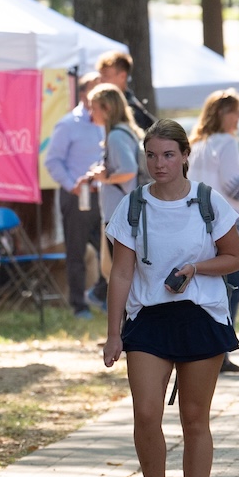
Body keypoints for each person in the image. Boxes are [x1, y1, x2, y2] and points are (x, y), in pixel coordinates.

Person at [103, 119, 239, 477]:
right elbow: (121, 273)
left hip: (201, 314)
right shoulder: (132, 206)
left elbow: (234, 257)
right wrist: (113, 334)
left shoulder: (207, 202)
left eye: (167, 155)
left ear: (185, 156)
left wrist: (196, 267)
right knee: (146, 412)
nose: (158, 164)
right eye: (151, 155)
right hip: (149, 317)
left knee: (195, 419)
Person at [189, 90, 239, 373]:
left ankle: (208, 347)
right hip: (225, 224)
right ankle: (221, 349)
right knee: (233, 288)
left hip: (198, 223)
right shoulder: (227, 143)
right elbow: (235, 186)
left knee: (211, 288)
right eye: (236, 111)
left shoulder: (197, 142)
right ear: (223, 114)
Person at [44, 75, 106, 319]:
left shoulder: (106, 122)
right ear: (83, 95)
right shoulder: (68, 124)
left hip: (103, 196)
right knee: (77, 252)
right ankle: (79, 304)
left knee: (110, 250)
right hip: (76, 197)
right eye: (95, 90)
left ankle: (100, 294)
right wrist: (72, 185)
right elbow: (53, 161)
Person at [81, 84, 146, 309]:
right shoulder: (125, 131)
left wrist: (105, 178)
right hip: (125, 213)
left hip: (120, 215)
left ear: (107, 108)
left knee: (121, 275)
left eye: (94, 108)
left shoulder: (116, 136)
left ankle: (127, 329)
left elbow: (127, 169)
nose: (91, 114)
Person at [95, 51, 156, 131]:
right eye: (100, 76)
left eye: (105, 76)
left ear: (122, 76)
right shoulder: (107, 105)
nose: (101, 81)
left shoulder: (132, 110)